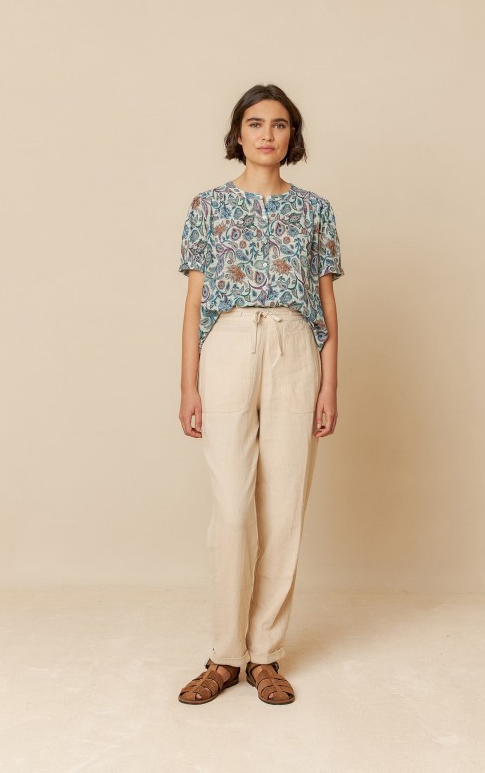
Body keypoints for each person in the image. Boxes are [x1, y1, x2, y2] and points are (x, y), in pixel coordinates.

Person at [177, 84, 345, 705]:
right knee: (232, 509)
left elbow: (326, 305)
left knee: (284, 508)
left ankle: (265, 655)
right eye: (255, 123)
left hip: (294, 346)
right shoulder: (207, 206)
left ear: (291, 135)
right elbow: (195, 301)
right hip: (227, 343)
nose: (267, 134)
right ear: (239, 133)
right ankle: (224, 656)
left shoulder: (315, 210)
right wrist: (188, 383)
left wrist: (329, 382)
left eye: (279, 124)